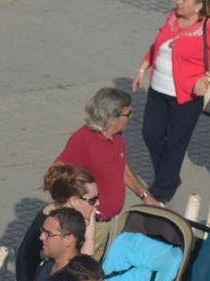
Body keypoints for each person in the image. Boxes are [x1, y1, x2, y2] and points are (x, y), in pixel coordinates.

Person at [131, 0, 210, 201]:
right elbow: (158, 45)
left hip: (186, 97)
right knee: (151, 135)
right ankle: (170, 176)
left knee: (176, 142)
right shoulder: (172, 18)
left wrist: (207, 78)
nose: (178, 2)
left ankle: (163, 190)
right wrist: (142, 68)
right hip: (158, 91)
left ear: (198, 5)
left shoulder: (209, 26)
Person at [0, 170, 95, 281]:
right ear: (74, 200)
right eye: (92, 200)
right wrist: (89, 237)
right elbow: (83, 269)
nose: (97, 205)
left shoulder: (51, 218)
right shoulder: (53, 236)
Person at [57, 86, 154, 219]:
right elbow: (57, 176)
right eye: (128, 114)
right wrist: (80, 209)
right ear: (112, 119)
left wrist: (144, 195)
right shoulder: (83, 140)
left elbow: (120, 166)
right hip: (89, 223)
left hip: (108, 221)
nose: (131, 117)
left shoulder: (117, 135)